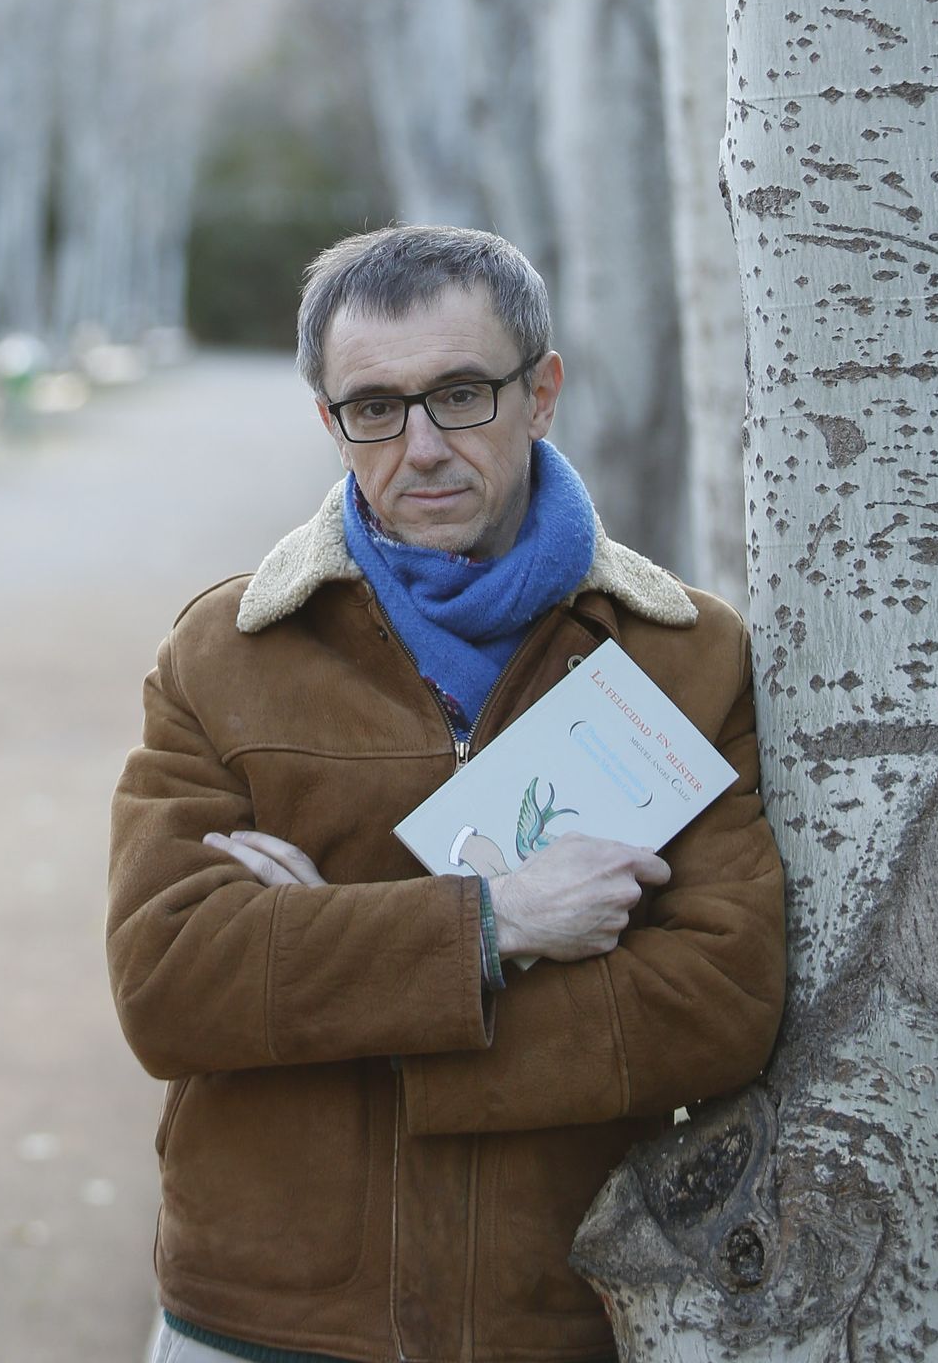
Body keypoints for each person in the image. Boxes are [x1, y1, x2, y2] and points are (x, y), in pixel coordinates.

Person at [107, 225, 785, 1363]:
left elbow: (721, 998)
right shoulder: (225, 652)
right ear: (330, 421)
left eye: (460, 395)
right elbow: (171, 981)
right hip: (262, 1313)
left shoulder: (684, 657)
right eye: (373, 407)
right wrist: (496, 925)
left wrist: (324, 965)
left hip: (559, 1308)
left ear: (541, 394)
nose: (419, 447)